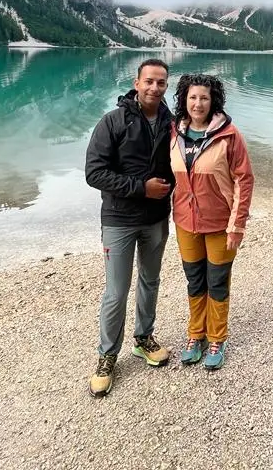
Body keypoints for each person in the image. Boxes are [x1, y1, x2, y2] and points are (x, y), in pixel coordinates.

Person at [84, 58, 175, 397]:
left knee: (150, 280)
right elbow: (94, 173)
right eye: (149, 81)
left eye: (161, 82)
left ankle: (143, 338)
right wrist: (141, 188)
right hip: (119, 219)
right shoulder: (113, 121)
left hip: (156, 219)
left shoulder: (172, 123)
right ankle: (107, 356)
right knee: (116, 291)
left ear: (166, 86)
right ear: (136, 82)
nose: (155, 87)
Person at [168, 73, 254, 370]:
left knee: (217, 282)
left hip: (220, 222)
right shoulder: (174, 133)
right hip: (185, 222)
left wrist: (237, 224)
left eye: (204, 97)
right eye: (192, 97)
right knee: (195, 281)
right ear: (184, 100)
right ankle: (196, 334)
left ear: (212, 100)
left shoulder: (229, 135)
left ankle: (217, 338)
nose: (198, 103)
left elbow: (244, 180)